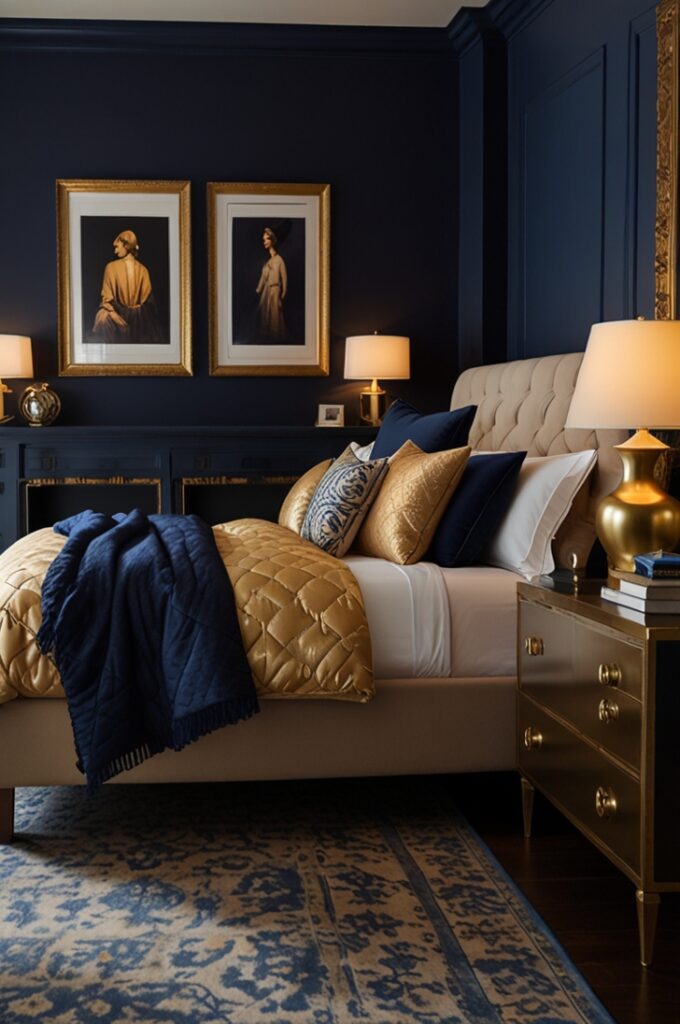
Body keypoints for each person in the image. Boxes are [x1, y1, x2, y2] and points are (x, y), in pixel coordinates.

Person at [92, 230, 163, 344]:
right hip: (136, 318)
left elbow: (106, 299)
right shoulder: (144, 270)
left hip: (136, 319)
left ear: (126, 245)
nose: (115, 251)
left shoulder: (111, 267)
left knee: (102, 318)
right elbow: (148, 303)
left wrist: (114, 314)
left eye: (117, 247)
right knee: (103, 316)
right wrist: (114, 314)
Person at [254, 227, 288, 343]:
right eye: (264, 239)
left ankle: (276, 340)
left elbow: (284, 278)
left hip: (275, 290)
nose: (265, 242)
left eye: (267, 239)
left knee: (275, 316)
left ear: (272, 240)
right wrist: (258, 290)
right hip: (267, 292)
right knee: (265, 316)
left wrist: (283, 294)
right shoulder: (267, 263)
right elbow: (263, 279)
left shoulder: (279, 260)